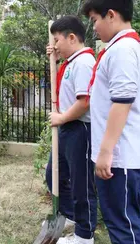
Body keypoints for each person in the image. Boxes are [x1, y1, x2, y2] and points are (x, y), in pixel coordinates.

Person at [82, 0, 140, 244]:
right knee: (122, 221)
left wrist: (106, 152)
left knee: (124, 226)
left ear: (111, 15)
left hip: (118, 158)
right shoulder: (122, 47)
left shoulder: (122, 50)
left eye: (95, 20)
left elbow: (122, 102)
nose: (94, 28)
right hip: (117, 157)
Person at [46, 15, 97, 244]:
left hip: (79, 129)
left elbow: (84, 102)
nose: (54, 44)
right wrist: (56, 59)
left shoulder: (84, 63)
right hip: (66, 127)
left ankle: (85, 236)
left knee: (81, 185)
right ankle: (70, 216)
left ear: (72, 38)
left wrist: (61, 118)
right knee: (54, 174)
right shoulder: (71, 62)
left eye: (57, 40)